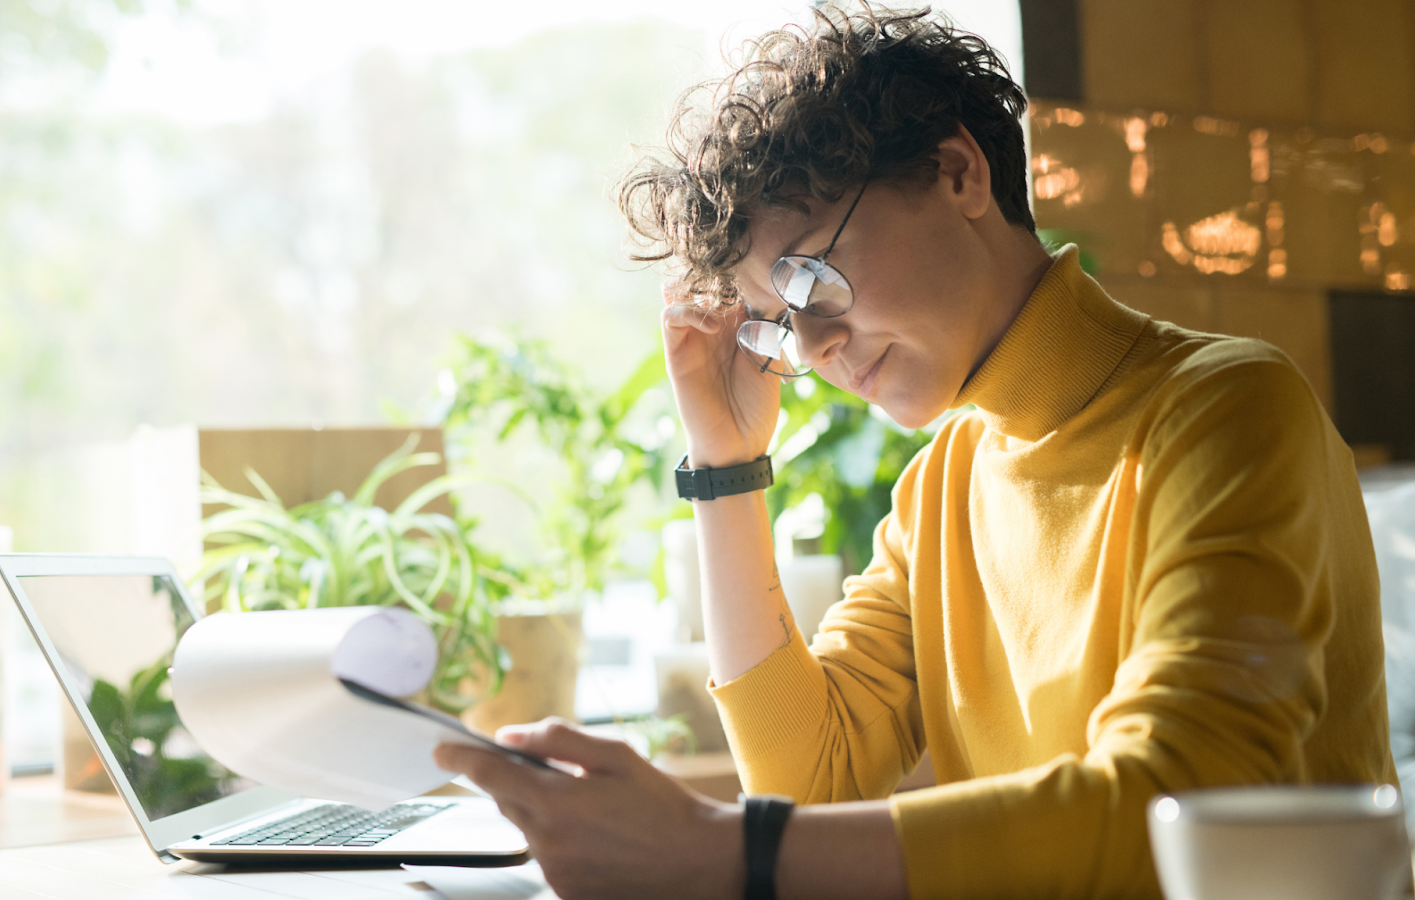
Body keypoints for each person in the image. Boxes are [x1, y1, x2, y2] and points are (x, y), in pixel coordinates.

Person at [435, 6, 1396, 899]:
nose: (810, 349)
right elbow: (809, 774)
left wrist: (711, 847)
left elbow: (1176, 809)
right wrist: (725, 466)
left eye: (810, 275)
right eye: (773, 325)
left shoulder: (1226, 408)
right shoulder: (943, 484)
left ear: (959, 173)